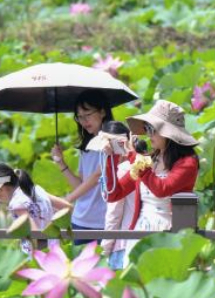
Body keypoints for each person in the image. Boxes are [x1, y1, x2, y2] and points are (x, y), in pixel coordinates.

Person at [105, 100, 200, 269]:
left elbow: (161, 189)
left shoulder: (187, 162)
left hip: (169, 234)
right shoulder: (148, 160)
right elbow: (114, 194)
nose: (148, 135)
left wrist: (135, 157)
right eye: (146, 129)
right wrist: (110, 159)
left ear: (167, 133)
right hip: (139, 231)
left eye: (151, 129)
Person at [51, 91, 113, 240]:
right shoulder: (86, 147)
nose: (84, 121)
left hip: (105, 222)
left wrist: (67, 200)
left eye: (88, 114)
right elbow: (82, 186)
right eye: (80, 117)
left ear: (103, 112)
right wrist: (61, 163)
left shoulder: (113, 142)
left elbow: (99, 175)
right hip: (80, 220)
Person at [0, 162, 71, 251]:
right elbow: (68, 207)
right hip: (55, 250)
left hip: (37, 255)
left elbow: (35, 234)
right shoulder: (36, 189)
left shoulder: (17, 204)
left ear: (1, 189)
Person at [87, 121, 137, 268]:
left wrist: (105, 250)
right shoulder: (142, 165)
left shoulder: (121, 171)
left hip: (123, 244)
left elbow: (114, 215)